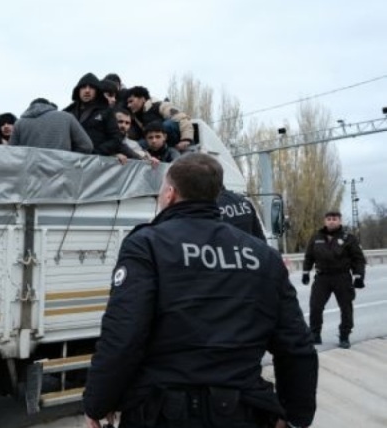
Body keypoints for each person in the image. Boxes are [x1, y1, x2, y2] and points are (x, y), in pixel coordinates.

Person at [83, 153, 318, 428]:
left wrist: (97, 404)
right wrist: (295, 418)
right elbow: (296, 345)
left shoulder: (146, 245)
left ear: (170, 194)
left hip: (161, 413)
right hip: (243, 412)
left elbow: (123, 335)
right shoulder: (262, 255)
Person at [301, 211, 366, 349]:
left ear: (340, 221)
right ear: (325, 221)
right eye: (329, 219)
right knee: (315, 306)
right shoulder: (316, 237)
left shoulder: (349, 238)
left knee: (346, 308)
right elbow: (309, 256)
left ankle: (344, 336)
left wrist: (359, 276)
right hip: (322, 277)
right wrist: (305, 272)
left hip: (341, 277)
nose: (331, 221)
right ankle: (315, 334)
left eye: (334, 219)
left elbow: (358, 259)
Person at [63, 72, 123, 156]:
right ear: (78, 90)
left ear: (97, 91)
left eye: (91, 87)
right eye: (83, 87)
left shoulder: (106, 111)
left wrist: (96, 152)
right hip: (69, 160)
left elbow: (116, 139)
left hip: (94, 162)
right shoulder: (67, 113)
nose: (87, 90)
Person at [10, 98, 92, 153]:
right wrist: (69, 157)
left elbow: (11, 153)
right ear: (50, 106)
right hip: (62, 172)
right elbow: (87, 146)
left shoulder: (19, 123)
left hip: (30, 174)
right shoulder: (66, 117)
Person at [126, 86, 194, 152]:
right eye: (128, 103)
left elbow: (182, 118)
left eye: (131, 101)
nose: (129, 105)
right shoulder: (135, 118)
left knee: (166, 125)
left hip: (175, 140)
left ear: (142, 99)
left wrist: (186, 139)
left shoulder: (160, 106)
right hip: (153, 143)